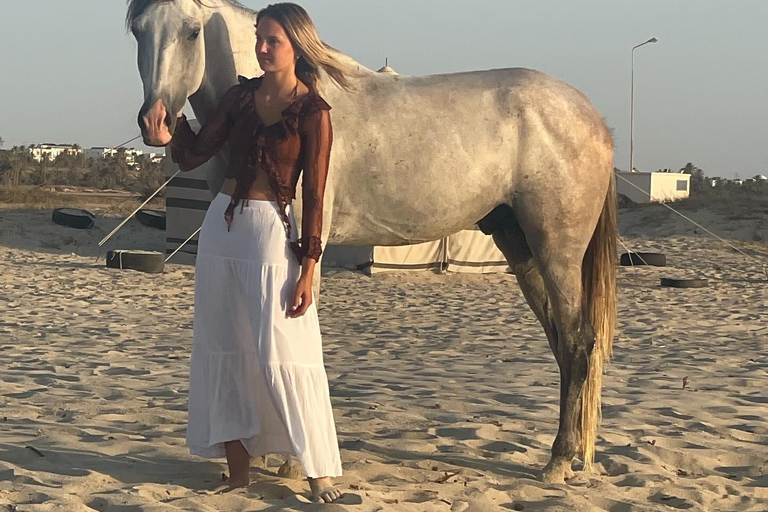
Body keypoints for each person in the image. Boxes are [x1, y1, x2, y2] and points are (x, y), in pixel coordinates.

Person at [143, 2, 356, 504]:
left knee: (287, 349)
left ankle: (317, 471)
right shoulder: (239, 98)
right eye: (259, 38)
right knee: (225, 347)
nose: (261, 48)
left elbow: (317, 197)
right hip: (219, 229)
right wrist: (169, 132)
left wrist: (308, 269)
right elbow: (197, 154)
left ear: (297, 46)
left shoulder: (313, 112)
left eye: (272, 41)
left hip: (270, 235)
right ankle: (238, 474)